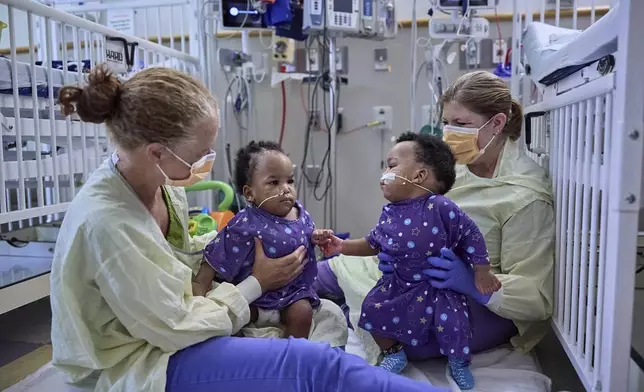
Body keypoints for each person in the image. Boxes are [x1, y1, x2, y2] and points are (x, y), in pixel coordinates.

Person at [50, 64, 450, 392]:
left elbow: (178, 260)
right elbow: (173, 327)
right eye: (200, 154)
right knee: (317, 367)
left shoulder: (161, 185)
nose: (208, 160)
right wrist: (256, 282)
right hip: (141, 357)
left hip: (172, 322)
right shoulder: (109, 223)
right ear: (157, 152)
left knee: (328, 312)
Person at [319, 70, 554, 369]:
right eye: (446, 122)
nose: (448, 133)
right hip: (414, 275)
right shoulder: (456, 169)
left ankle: (337, 313)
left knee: (402, 341)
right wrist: (393, 250)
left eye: (461, 124)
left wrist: (470, 280)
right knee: (318, 274)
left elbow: (536, 298)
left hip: (479, 301)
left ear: (497, 123)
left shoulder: (525, 197)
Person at [315, 133, 499, 389]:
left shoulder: (440, 207)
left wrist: (481, 272)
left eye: (391, 166)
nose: (383, 173)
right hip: (399, 284)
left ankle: (458, 361)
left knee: (454, 324)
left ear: (418, 176)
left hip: (438, 287)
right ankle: (394, 353)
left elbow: (472, 235)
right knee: (372, 309)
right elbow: (372, 243)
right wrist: (343, 246)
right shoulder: (389, 213)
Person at [195, 140, 325, 338]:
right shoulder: (245, 223)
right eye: (274, 183)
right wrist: (200, 289)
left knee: (303, 313)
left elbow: (307, 235)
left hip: (292, 295)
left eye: (290, 181)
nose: (286, 189)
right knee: (229, 321)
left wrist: (317, 237)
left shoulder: (300, 213)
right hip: (254, 298)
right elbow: (216, 255)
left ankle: (294, 357)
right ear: (250, 193)